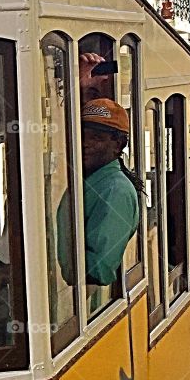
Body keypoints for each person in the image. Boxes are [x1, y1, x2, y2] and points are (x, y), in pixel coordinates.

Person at [57, 98, 140, 287]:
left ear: (118, 144)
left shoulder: (115, 191)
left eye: (96, 137)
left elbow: (98, 270)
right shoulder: (87, 181)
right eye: (82, 136)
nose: (85, 144)